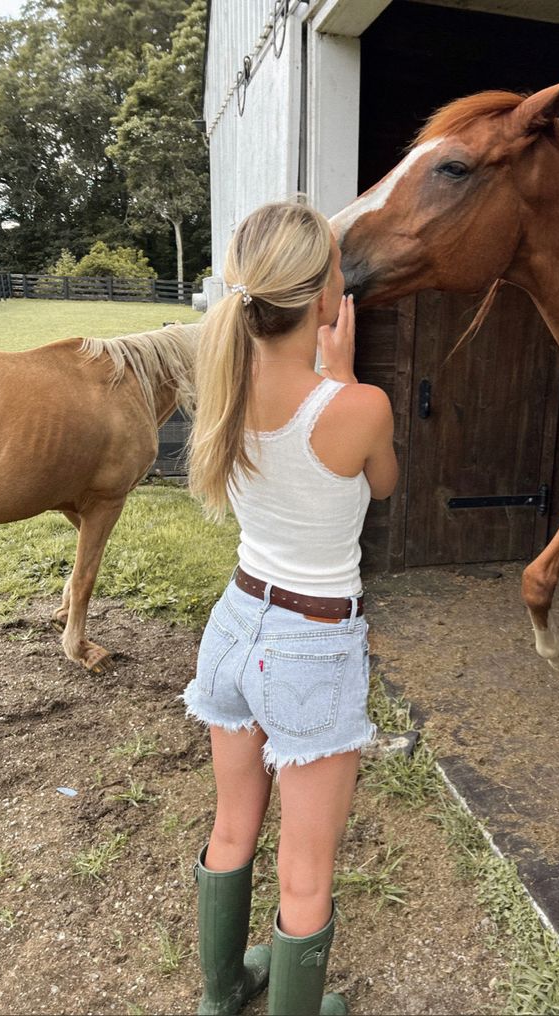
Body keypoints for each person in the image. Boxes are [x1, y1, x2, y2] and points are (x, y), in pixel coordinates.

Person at [183, 199, 398, 1016]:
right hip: (312, 643)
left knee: (232, 827)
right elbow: (383, 483)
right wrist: (341, 377)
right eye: (339, 267)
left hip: (235, 625)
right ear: (319, 298)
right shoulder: (359, 407)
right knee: (306, 874)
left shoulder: (223, 389)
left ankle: (221, 994)